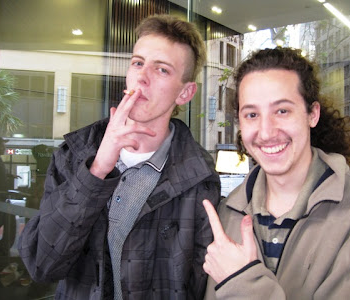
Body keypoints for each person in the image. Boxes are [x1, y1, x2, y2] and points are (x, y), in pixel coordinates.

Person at [18, 14, 221, 300]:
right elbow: (41, 265)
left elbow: (197, 286)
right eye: (138, 63)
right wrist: (98, 168)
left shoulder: (199, 177)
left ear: (185, 93)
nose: (142, 77)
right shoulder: (73, 155)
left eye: (162, 70)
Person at [203, 47, 350, 299]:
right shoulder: (229, 212)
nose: (266, 132)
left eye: (282, 111)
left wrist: (242, 282)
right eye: (252, 114)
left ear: (312, 114)